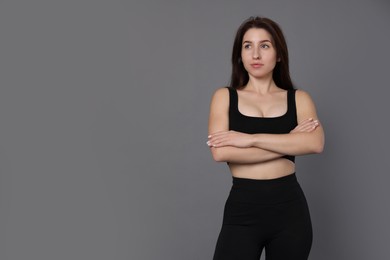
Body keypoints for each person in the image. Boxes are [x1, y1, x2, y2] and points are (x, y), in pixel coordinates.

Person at [207, 16, 325, 260]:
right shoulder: (224, 97)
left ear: (279, 54)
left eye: (265, 45)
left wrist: (250, 139)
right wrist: (289, 140)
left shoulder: (299, 98)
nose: (255, 54)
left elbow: (315, 143)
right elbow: (221, 152)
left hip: (291, 212)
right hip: (242, 211)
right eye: (247, 46)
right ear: (240, 55)